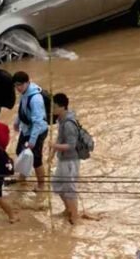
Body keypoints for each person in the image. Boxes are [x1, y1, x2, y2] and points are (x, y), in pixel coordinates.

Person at [12, 71, 48, 191]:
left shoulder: (35, 99)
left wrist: (32, 141)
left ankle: (41, 185)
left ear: (28, 82)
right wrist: (17, 122)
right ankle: (22, 177)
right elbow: (22, 108)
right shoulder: (25, 93)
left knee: (36, 159)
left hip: (37, 131)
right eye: (15, 85)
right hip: (27, 128)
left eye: (20, 85)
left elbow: (38, 122)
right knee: (20, 152)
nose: (18, 88)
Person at [50, 93, 81, 225]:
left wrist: (54, 146)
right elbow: (60, 138)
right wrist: (52, 153)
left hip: (70, 161)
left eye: (54, 106)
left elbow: (71, 145)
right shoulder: (61, 120)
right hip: (62, 159)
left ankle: (74, 216)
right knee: (57, 184)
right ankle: (67, 209)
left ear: (62, 107)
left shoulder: (68, 124)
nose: (52, 109)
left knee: (69, 189)